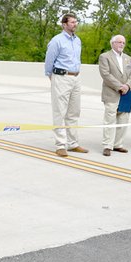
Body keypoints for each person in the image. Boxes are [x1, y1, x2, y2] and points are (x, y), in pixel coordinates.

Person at [44, 13, 87, 157]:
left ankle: (73, 143)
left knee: (74, 112)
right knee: (59, 112)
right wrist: (52, 77)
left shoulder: (77, 40)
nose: (75, 24)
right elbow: (49, 61)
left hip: (76, 77)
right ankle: (60, 145)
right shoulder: (57, 41)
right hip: (61, 77)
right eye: (72, 22)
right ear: (64, 24)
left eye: (76, 22)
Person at [98, 35, 131, 157]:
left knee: (123, 119)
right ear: (112, 43)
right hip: (111, 93)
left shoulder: (128, 59)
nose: (122, 45)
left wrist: (127, 86)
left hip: (126, 94)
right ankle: (107, 145)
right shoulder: (105, 57)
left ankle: (118, 144)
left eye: (123, 42)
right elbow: (105, 74)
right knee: (110, 119)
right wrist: (120, 86)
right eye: (119, 42)